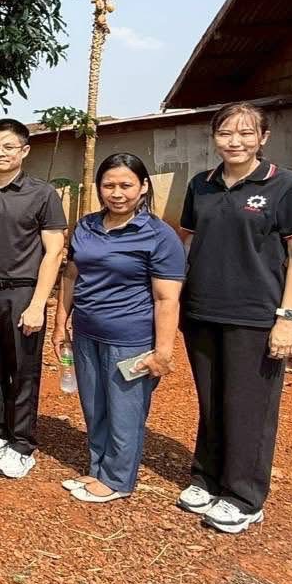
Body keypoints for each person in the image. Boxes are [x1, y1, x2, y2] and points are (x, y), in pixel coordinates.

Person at [177, 102, 292, 534]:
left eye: (245, 133)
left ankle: (244, 495)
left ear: (263, 138)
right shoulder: (201, 184)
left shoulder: (288, 186)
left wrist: (287, 318)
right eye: (225, 133)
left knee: (249, 406)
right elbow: (186, 242)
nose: (234, 142)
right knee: (211, 398)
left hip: (255, 315)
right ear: (214, 137)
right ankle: (208, 475)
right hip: (201, 309)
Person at [50, 153, 184, 503]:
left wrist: (163, 353)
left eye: (126, 185)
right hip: (87, 333)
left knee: (125, 413)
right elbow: (71, 276)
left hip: (131, 340)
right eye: (108, 185)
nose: (117, 193)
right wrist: (60, 323)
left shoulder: (158, 235)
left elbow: (166, 298)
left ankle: (118, 480)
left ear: (143, 187)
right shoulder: (87, 226)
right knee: (95, 407)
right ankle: (98, 470)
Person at [0, 118, 68, 479]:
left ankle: (22, 444)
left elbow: (54, 252)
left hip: (23, 292)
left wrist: (39, 303)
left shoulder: (42, 194)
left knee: (22, 372)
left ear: (24, 151)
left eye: (8, 146)